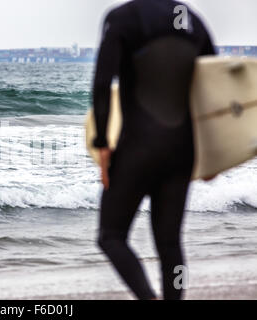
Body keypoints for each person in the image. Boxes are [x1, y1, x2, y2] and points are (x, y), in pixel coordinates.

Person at [92, 0, 215, 300]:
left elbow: (102, 84)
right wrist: (214, 152)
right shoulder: (192, 20)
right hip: (182, 151)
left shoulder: (122, 17)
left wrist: (102, 143)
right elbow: (215, 86)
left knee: (111, 235)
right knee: (170, 242)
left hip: (138, 148)